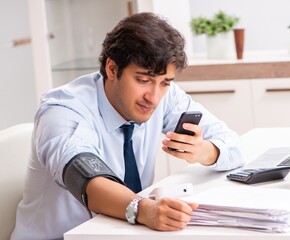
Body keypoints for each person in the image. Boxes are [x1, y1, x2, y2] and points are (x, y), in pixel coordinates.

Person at [11, 12, 244, 240]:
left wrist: (205, 151)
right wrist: (144, 210)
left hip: (121, 232)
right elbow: (87, 179)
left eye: (164, 83)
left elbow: (232, 144)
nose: (153, 97)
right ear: (112, 69)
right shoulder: (63, 111)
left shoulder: (164, 95)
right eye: (143, 80)